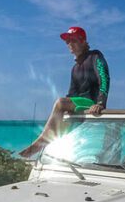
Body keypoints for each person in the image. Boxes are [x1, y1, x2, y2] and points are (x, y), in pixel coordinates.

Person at [19, 26, 110, 158]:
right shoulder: (74, 68)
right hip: (79, 105)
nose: (69, 44)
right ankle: (57, 151)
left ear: (83, 41)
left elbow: (104, 78)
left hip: (91, 103)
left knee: (60, 102)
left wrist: (100, 103)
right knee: (63, 108)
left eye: (73, 40)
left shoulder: (95, 56)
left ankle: (42, 142)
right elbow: (71, 94)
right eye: (67, 41)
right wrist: (66, 109)